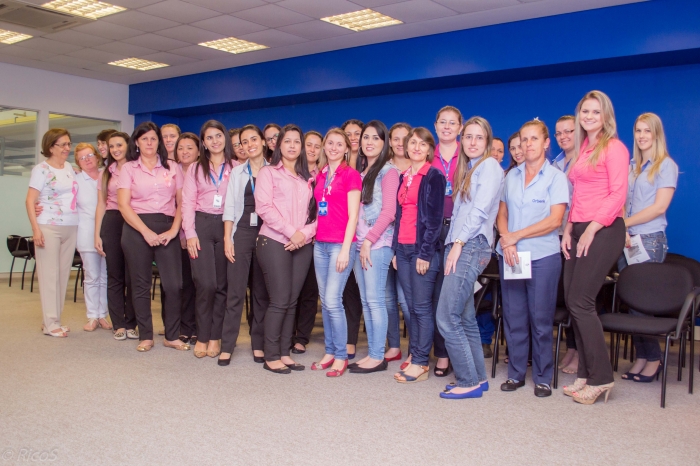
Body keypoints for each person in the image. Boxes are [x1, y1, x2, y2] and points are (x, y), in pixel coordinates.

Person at [561, 90, 629, 404]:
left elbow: (617, 194)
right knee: (573, 301)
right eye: (585, 111)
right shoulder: (584, 148)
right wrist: (569, 228)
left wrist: (591, 229)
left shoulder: (614, 147)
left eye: (595, 112)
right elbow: (578, 196)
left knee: (581, 301)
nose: (589, 117)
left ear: (606, 117)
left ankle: (601, 378)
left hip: (604, 229)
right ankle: (585, 374)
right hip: (579, 228)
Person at [496, 120, 568, 397]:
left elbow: (555, 220)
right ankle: (515, 374)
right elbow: (502, 213)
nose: (528, 145)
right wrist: (507, 239)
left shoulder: (556, 178)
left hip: (542, 257)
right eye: (524, 139)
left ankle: (542, 377)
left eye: (534, 139)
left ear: (546, 143)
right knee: (514, 317)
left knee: (540, 320)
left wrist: (516, 236)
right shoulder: (511, 177)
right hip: (511, 256)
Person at [435, 117, 503, 398]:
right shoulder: (470, 169)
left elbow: (480, 211)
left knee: (446, 316)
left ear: (487, 142)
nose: (473, 142)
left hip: (470, 245)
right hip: (460, 244)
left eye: (479, 137)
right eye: (469, 137)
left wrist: (459, 243)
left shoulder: (489, 167)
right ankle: (478, 378)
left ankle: (467, 382)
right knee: (464, 317)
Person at [118, 122, 189, 352]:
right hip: (136, 228)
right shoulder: (129, 168)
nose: (149, 143)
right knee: (140, 285)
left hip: (168, 227)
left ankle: (172, 335)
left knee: (174, 285)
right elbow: (123, 205)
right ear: (136, 143)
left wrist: (174, 230)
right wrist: (145, 232)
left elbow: (182, 202)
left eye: (153, 138)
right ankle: (146, 336)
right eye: (144, 139)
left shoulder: (172, 167)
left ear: (159, 142)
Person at [618, 112, 678, 382]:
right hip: (627, 240)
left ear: (656, 134)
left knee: (643, 305)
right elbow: (620, 201)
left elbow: (659, 207)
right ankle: (641, 356)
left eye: (647, 131)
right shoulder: (632, 166)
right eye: (638, 131)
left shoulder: (666, 165)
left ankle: (654, 359)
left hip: (650, 240)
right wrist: (623, 227)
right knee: (631, 304)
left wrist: (625, 223)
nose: (642, 136)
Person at [255, 124, 317, 374]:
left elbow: (317, 214)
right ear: (278, 145)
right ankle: (271, 355)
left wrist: (304, 234)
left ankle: (284, 352)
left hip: (302, 243)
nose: (292, 145)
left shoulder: (307, 177)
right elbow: (264, 208)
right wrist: (292, 232)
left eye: (296, 141)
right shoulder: (268, 173)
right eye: (287, 141)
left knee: (292, 301)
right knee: (279, 300)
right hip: (273, 241)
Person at [393, 127, 445, 384]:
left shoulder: (434, 176)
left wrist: (425, 254)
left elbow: (434, 221)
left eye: (422, 144)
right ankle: (415, 355)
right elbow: (399, 215)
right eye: (412, 142)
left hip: (421, 250)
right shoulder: (404, 176)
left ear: (429, 150)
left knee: (422, 308)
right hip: (402, 250)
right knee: (411, 307)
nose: (416, 147)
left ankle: (421, 362)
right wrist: (395, 250)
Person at [183, 121, 235, 359]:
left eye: (218, 136)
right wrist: (190, 233)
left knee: (222, 286)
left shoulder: (236, 167)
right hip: (201, 225)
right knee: (206, 284)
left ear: (225, 138)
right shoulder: (195, 168)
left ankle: (215, 337)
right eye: (209, 137)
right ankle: (202, 336)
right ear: (203, 143)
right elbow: (187, 203)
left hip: (227, 225)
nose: (215, 141)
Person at [311, 128, 362, 377]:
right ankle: (330, 351)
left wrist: (345, 249)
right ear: (324, 146)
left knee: (333, 300)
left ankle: (341, 356)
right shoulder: (321, 174)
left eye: (339, 144)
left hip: (340, 246)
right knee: (325, 301)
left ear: (346, 149)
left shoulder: (351, 175)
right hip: (319, 244)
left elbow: (354, 216)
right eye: (330, 143)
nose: (333, 147)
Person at [350, 121, 399, 373]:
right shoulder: (362, 172)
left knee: (375, 300)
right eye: (366, 137)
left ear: (384, 143)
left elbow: (389, 212)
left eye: (375, 138)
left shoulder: (388, 172)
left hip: (377, 244)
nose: (369, 142)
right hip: (361, 244)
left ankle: (377, 356)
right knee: (366, 301)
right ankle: (373, 352)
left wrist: (369, 240)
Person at [221, 125, 270, 366]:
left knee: (261, 293)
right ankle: (227, 345)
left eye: (253, 139)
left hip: (267, 233)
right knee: (235, 292)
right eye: (244, 141)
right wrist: (227, 239)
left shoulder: (275, 170)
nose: (249, 144)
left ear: (263, 141)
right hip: (241, 232)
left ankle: (258, 344)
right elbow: (229, 207)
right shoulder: (237, 172)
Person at [26, 128, 78, 338]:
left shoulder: (69, 168)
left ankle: (53, 319)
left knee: (62, 275)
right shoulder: (41, 169)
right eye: (62, 144)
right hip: (48, 225)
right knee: (49, 276)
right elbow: (30, 200)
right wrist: (35, 230)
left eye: (68, 143)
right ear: (50, 147)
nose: (67, 148)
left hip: (71, 226)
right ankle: (50, 323)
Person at [95, 132, 138, 341]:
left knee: (133, 276)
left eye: (119, 145)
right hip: (112, 221)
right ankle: (118, 324)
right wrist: (97, 234)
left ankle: (131, 323)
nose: (115, 150)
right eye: (111, 146)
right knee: (115, 275)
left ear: (128, 145)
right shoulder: (106, 173)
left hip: (134, 220)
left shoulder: (137, 168)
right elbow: (101, 205)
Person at [430, 106, 463, 377]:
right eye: (443, 122)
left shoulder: (468, 154)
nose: (447, 127)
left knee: (448, 296)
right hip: (431, 229)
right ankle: (436, 353)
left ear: (460, 128)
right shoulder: (427, 154)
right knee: (428, 295)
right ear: (435, 125)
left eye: (452, 123)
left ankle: (449, 354)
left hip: (458, 231)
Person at [292, 130, 323, 354]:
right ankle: (287, 332)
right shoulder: (291, 172)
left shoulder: (324, 175)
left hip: (315, 240)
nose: (312, 150)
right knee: (291, 290)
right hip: (291, 237)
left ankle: (301, 337)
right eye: (308, 145)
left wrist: (309, 233)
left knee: (310, 291)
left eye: (317, 146)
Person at [74, 143, 110, 332]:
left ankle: (103, 314)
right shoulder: (76, 180)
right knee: (92, 276)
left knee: (105, 276)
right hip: (87, 232)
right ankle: (92, 316)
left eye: (89, 155)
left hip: (108, 231)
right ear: (78, 163)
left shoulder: (107, 174)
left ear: (97, 156)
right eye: (82, 158)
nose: (87, 160)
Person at [553, 115, 578, 374]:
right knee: (565, 295)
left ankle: (580, 350)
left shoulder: (587, 159)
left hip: (579, 234)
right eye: (559, 133)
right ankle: (571, 347)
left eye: (569, 131)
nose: (564, 137)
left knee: (578, 296)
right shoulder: (556, 163)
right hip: (557, 235)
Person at [385, 123, 411, 364]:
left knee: (406, 299)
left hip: (406, 242)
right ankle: (394, 346)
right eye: (396, 138)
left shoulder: (419, 168)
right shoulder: (383, 168)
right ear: (390, 142)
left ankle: (415, 349)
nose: (400, 143)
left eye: (405, 138)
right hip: (383, 239)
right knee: (387, 299)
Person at [340, 119, 365, 358]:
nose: (354, 137)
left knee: (361, 291)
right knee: (347, 290)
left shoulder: (373, 162)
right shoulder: (337, 164)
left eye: (358, 133)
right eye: (349, 134)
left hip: (366, 235)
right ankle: (348, 340)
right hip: (341, 234)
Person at [174, 133, 199, 344]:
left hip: (199, 234)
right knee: (184, 284)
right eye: (181, 148)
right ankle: (185, 326)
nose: (185, 152)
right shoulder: (171, 171)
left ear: (199, 151)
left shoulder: (202, 170)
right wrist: (182, 234)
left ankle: (199, 327)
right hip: (176, 235)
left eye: (189, 148)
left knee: (201, 283)